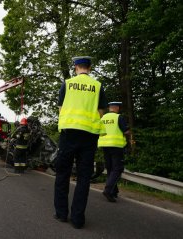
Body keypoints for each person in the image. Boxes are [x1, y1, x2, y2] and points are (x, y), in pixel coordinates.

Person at [54, 56, 107, 229]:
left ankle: (61, 214)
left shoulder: (67, 84)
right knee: (84, 178)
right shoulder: (97, 86)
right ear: (89, 68)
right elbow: (100, 111)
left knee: (62, 174)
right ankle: (78, 219)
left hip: (69, 134)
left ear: (75, 68)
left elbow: (61, 109)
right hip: (89, 136)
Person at [98, 102, 130, 202]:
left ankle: (113, 191)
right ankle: (108, 190)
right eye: (118, 107)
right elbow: (126, 131)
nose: (119, 109)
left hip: (104, 145)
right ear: (116, 108)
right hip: (116, 146)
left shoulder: (102, 118)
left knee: (110, 168)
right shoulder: (119, 117)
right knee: (118, 169)